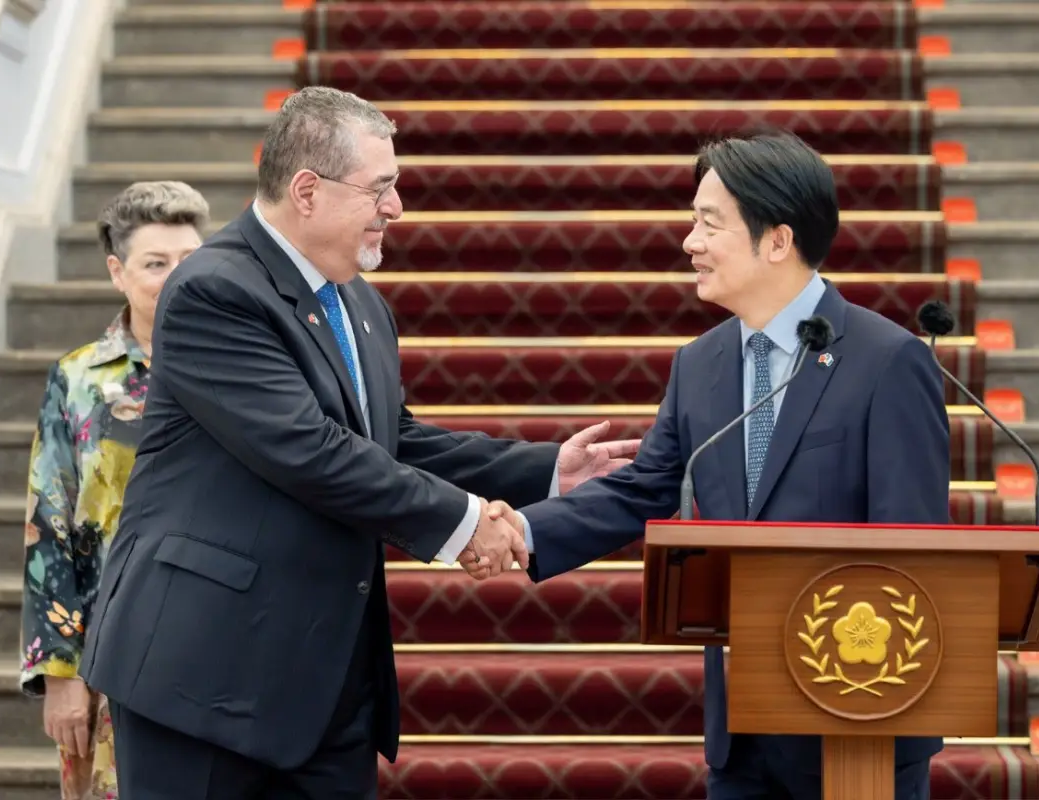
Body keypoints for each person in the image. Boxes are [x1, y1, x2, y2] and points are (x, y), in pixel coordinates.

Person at [76, 85, 637, 799]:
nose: (397, 208)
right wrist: (466, 524)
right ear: (307, 191)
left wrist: (543, 471)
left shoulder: (360, 302)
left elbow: (387, 440)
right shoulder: (214, 289)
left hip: (325, 680)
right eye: (381, 188)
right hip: (203, 678)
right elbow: (309, 450)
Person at [483, 131, 950, 800]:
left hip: (858, 727)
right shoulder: (700, 365)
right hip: (743, 732)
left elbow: (916, 553)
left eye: (709, 223)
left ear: (778, 240)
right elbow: (645, 489)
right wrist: (522, 533)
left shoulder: (886, 361)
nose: (688, 243)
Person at [19, 181, 210, 799]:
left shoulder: (243, 365)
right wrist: (59, 674)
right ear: (117, 271)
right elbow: (49, 526)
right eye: (156, 264)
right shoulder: (78, 379)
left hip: (221, 644)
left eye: (190, 260)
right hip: (110, 653)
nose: (177, 277)